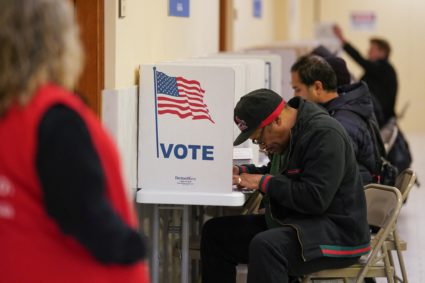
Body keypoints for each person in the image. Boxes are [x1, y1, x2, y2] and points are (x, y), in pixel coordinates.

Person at [0, 1, 149, 282]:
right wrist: (135, 245)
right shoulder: (54, 119)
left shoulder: (10, 113)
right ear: (56, 40)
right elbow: (87, 216)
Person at [201, 89, 371, 283]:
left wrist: (263, 182)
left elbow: (315, 199)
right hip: (299, 221)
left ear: (276, 121)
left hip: (337, 231)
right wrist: (242, 172)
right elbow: (276, 172)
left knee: (267, 247)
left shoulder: (324, 134)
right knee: (216, 234)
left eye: (259, 139)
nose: (262, 147)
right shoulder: (289, 135)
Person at [291, 54, 380, 185]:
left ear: (317, 87)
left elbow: (326, 174)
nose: (295, 96)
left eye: (298, 89)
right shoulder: (337, 110)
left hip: (352, 197)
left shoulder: (341, 123)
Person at [333, 25, 398, 127]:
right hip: (378, 114)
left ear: (382, 53)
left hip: (380, 117)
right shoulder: (380, 69)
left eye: (372, 49)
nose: (368, 51)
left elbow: (360, 59)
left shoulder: (383, 67)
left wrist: (342, 40)